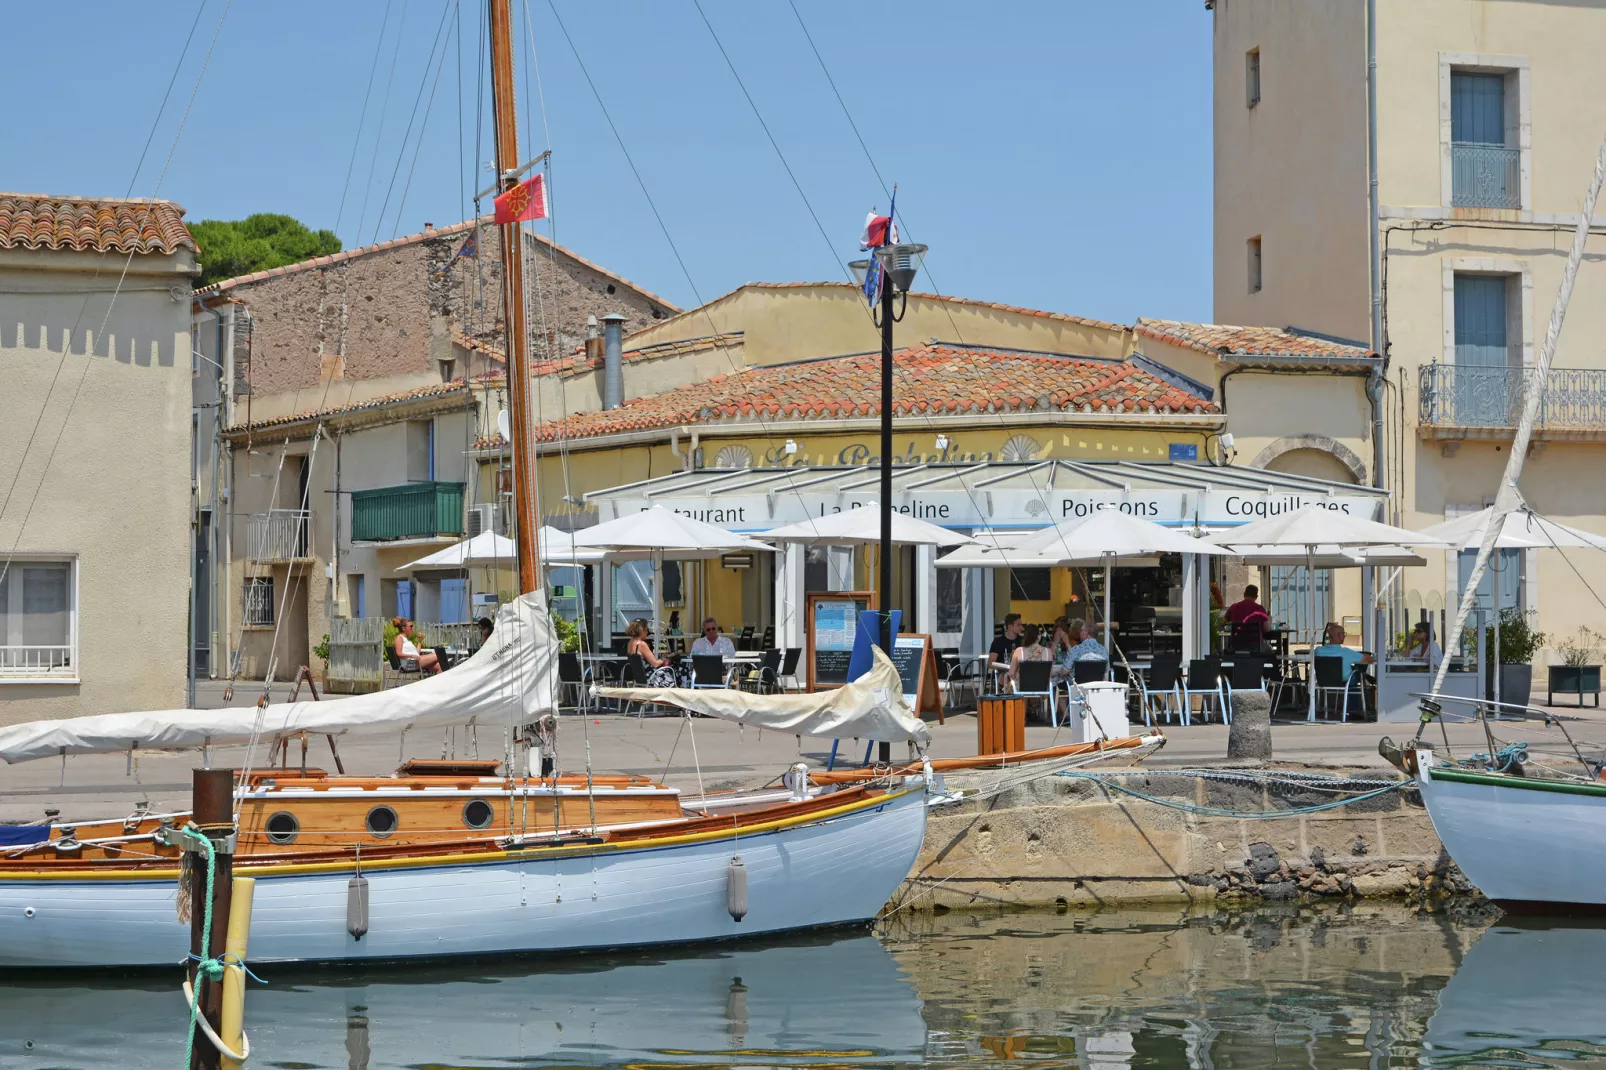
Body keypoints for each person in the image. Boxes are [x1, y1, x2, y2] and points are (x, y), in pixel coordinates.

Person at [1225, 584, 1272, 652]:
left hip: (1236, 646)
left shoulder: (1233, 607)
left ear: (1244, 594)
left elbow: (1223, 623)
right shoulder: (1260, 609)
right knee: (1269, 649)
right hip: (1255, 647)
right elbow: (1267, 629)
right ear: (1256, 597)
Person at [1009, 623, 1052, 688]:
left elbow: (1011, 673)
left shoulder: (1019, 651)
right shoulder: (1047, 652)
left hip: (1022, 690)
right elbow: (1049, 673)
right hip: (1042, 689)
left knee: (1007, 678)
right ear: (1038, 636)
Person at [989, 613, 1024, 686]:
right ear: (1010, 627)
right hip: (1004, 672)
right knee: (1006, 676)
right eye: (1018, 625)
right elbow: (990, 663)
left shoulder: (1023, 641)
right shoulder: (998, 642)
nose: (1022, 628)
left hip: (1021, 672)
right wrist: (1005, 666)